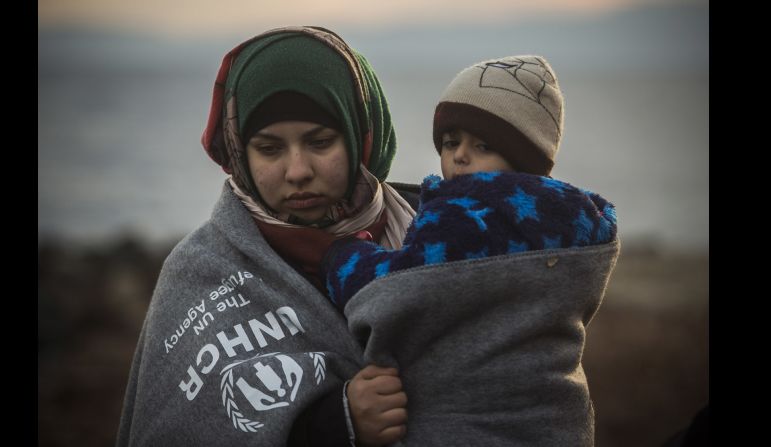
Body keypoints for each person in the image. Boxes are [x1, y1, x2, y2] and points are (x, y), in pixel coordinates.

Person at [116, 26, 417, 447]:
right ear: (240, 152)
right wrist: (336, 424)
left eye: (320, 141)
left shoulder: (435, 232)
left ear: (361, 134)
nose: (297, 171)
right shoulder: (200, 272)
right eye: (270, 148)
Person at [322, 56, 621, 445]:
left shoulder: (463, 218)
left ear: (524, 160)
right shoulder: (576, 223)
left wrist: (341, 256)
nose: (460, 155)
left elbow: (390, 287)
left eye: (483, 145)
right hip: (559, 422)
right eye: (451, 142)